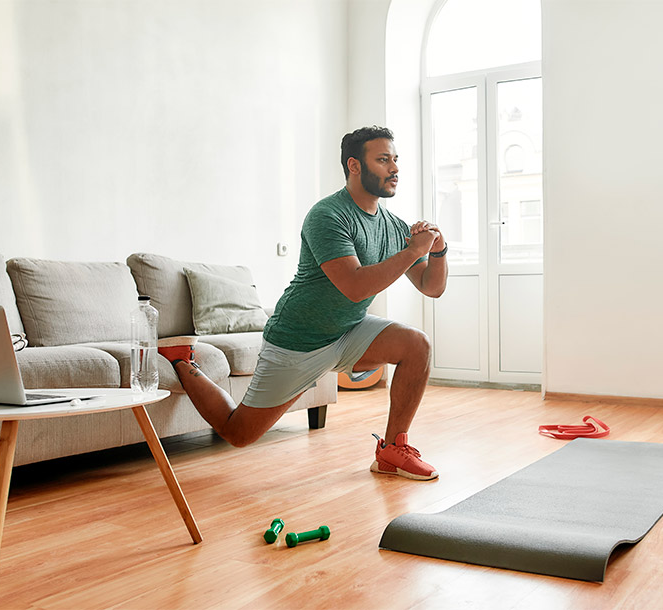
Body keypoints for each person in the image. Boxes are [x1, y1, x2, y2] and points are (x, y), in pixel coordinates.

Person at [157, 126, 448, 480]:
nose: (394, 168)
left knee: (417, 345)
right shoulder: (328, 215)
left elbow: (431, 287)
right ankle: (185, 363)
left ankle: (391, 451)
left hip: (348, 330)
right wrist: (413, 250)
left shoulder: (393, 226)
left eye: (395, 159)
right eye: (383, 160)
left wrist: (438, 251)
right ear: (354, 166)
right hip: (298, 339)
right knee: (238, 432)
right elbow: (354, 287)